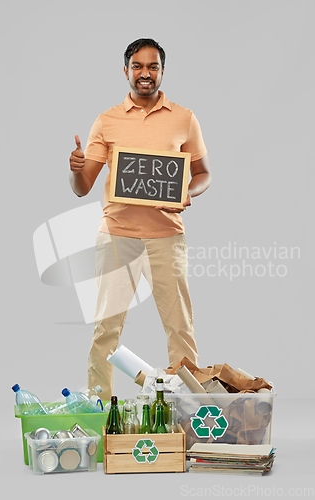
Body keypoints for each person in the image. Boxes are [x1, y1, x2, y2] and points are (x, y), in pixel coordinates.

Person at [69, 38, 211, 400]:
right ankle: (100, 410)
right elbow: (83, 187)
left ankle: (189, 410)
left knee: (180, 328)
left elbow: (202, 173)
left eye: (152, 67)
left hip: (167, 236)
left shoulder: (184, 118)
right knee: (106, 329)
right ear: (126, 71)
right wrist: (76, 169)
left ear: (162, 71)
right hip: (117, 236)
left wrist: (187, 193)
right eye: (138, 66)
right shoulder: (108, 121)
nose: (145, 73)